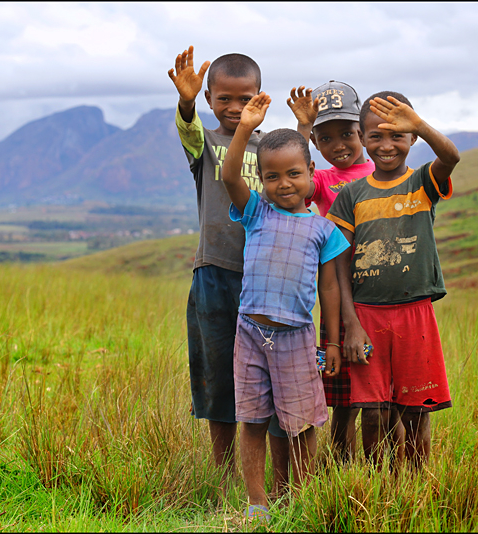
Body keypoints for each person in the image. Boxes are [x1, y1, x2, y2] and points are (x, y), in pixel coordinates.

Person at [221, 92, 349, 518]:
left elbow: (330, 289)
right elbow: (228, 176)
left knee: (302, 424)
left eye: (294, 173)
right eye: (272, 176)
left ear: (312, 173)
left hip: (297, 337)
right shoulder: (257, 212)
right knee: (253, 420)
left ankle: (300, 498)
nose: (284, 184)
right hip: (251, 333)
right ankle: (257, 503)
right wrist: (244, 130)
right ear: (262, 180)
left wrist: (331, 342)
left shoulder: (322, 229)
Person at [326, 91, 460, 470]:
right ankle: (379, 488)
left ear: (412, 139)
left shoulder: (423, 182)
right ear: (362, 138)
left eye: (398, 135)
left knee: (417, 411)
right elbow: (339, 266)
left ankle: (414, 489)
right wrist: (349, 324)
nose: (386, 145)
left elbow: (451, 156)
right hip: (366, 318)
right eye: (375, 136)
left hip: (415, 315)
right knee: (373, 413)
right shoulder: (351, 195)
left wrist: (417, 122)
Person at [168, 46, 281, 487]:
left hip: (266, 278)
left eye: (244, 98)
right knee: (218, 374)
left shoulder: (271, 150)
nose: (234, 108)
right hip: (215, 273)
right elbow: (188, 128)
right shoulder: (206, 146)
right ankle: (222, 472)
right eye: (224, 99)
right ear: (211, 99)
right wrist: (186, 101)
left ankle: (274, 476)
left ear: (260, 97)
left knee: (268, 375)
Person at [286, 80, 406, 465]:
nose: (338, 144)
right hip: (338, 295)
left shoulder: (381, 171)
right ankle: (342, 470)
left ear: (363, 134)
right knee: (341, 396)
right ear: (317, 146)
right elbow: (296, 181)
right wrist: (303, 129)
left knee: (385, 396)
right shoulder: (320, 180)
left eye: (347, 134)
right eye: (326, 138)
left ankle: (395, 470)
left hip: (381, 294)